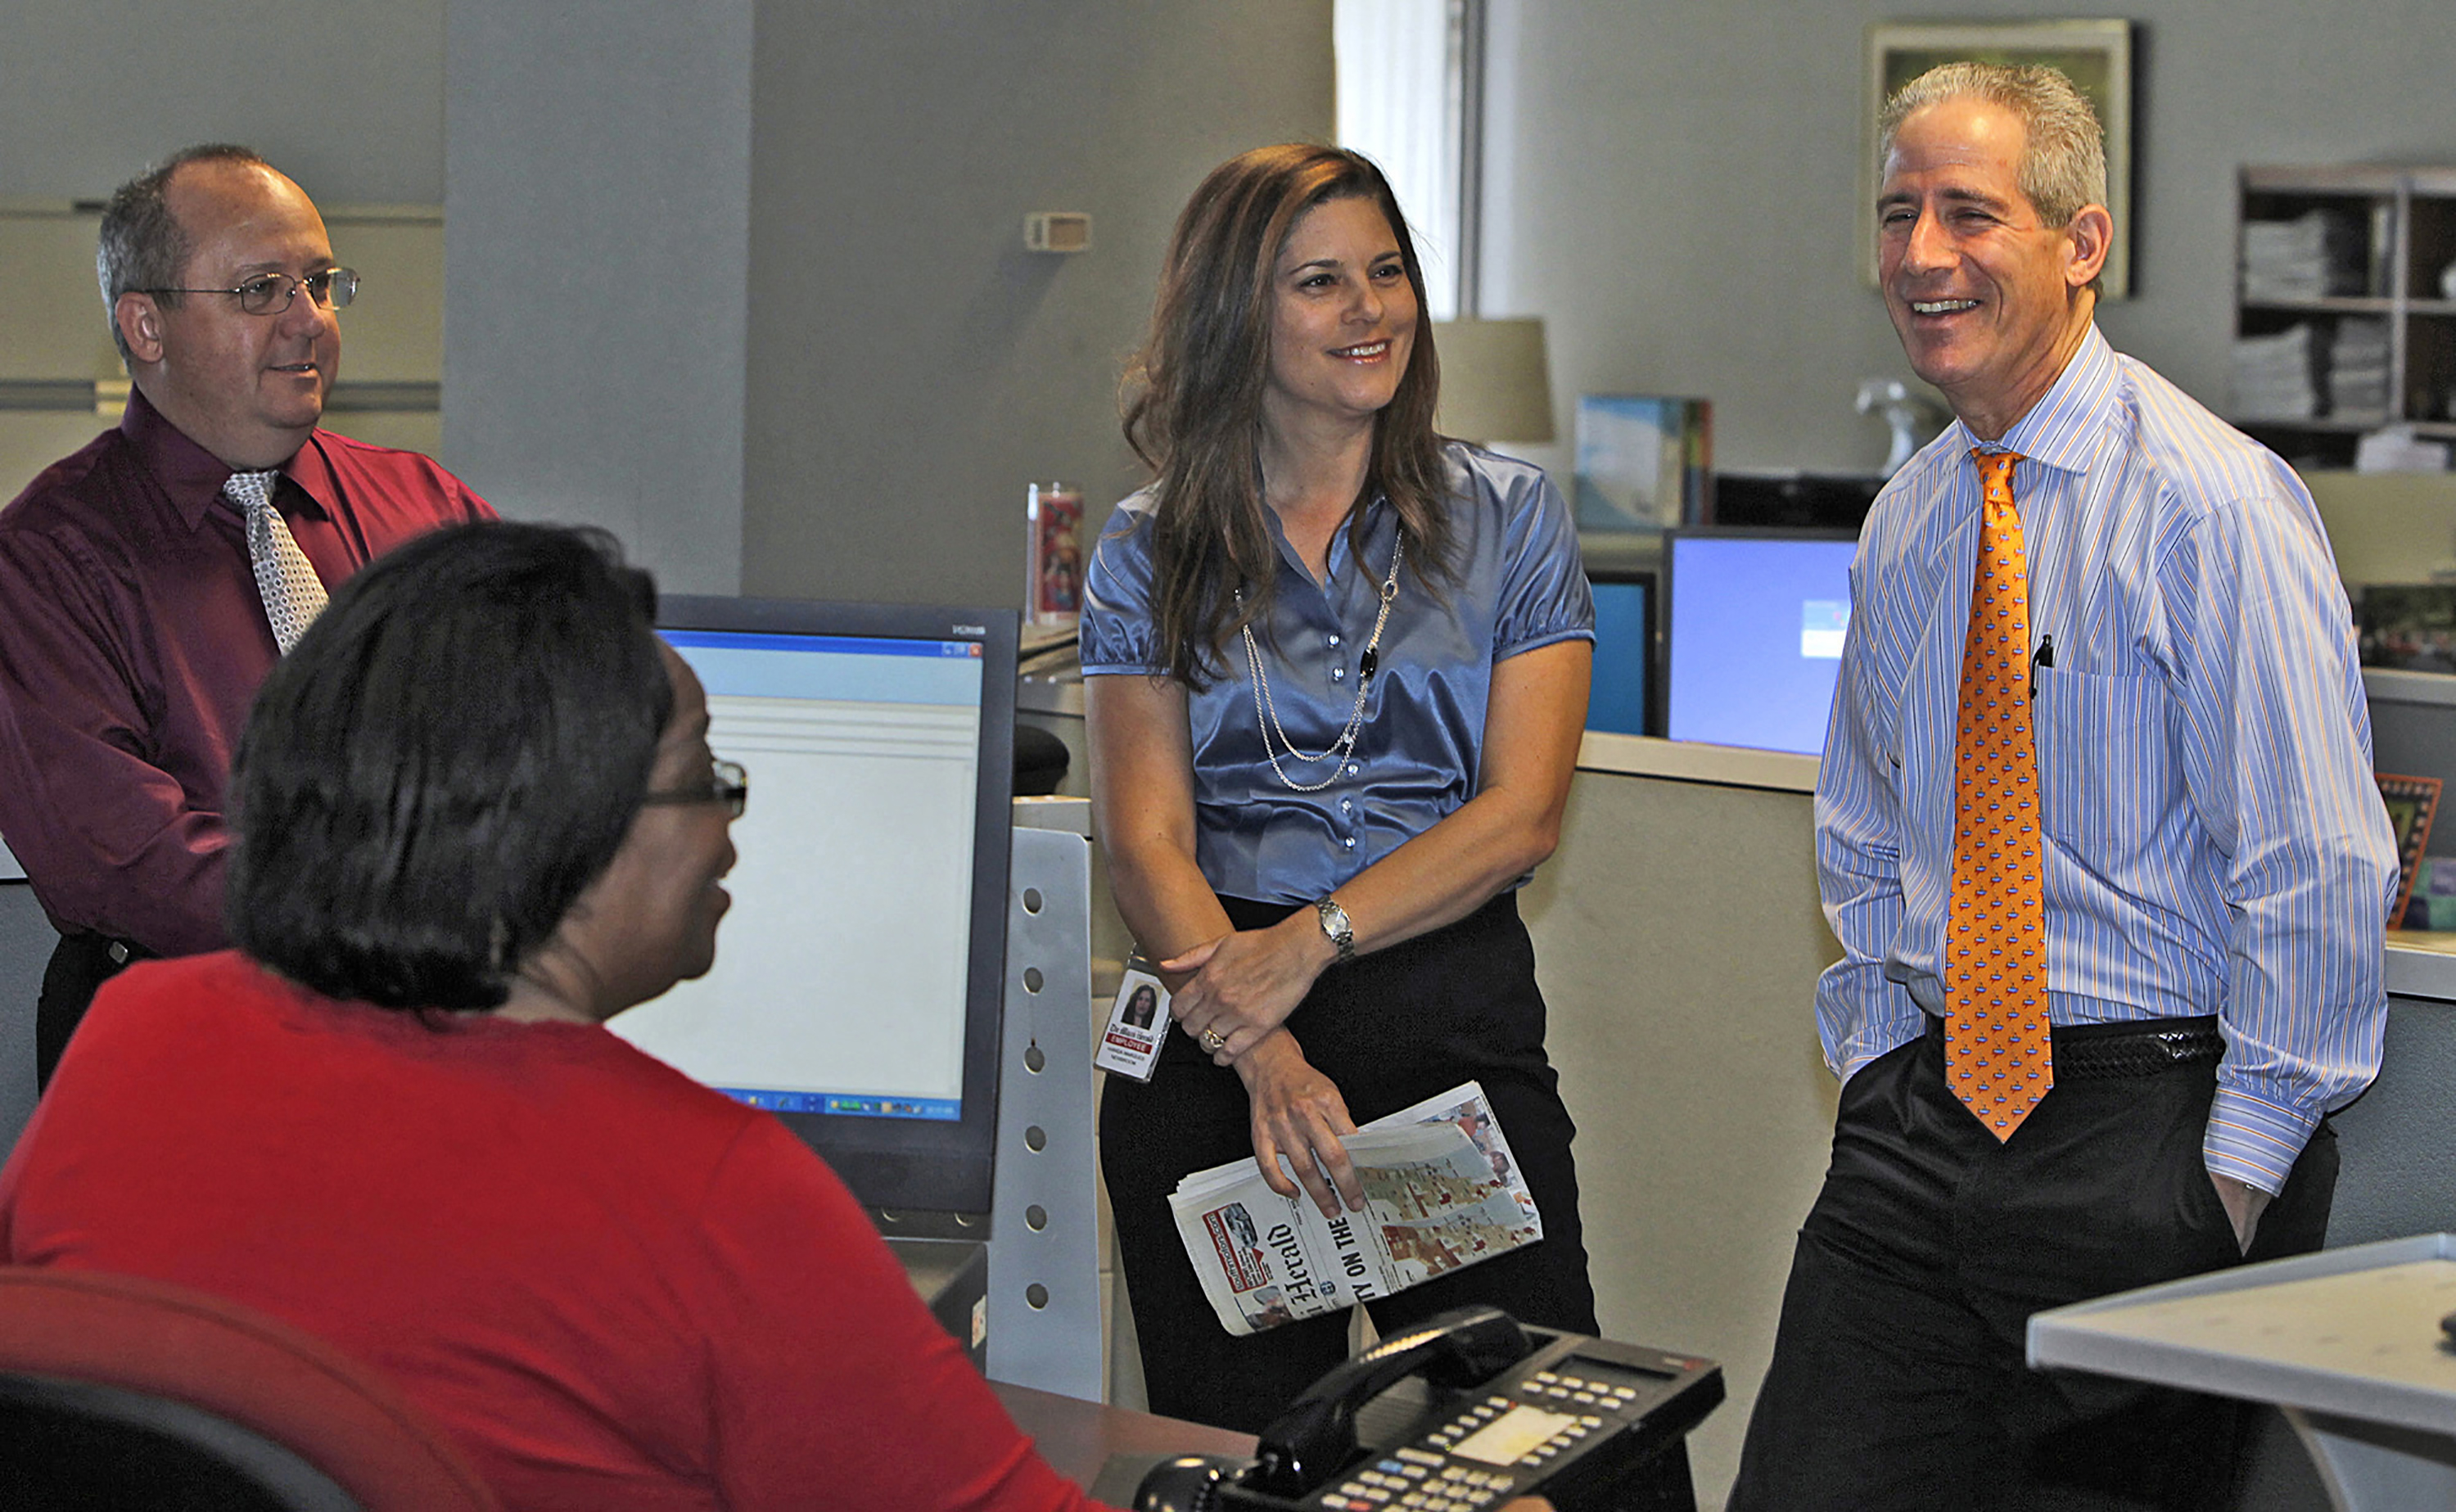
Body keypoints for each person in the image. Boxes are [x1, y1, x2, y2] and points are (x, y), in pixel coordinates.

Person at [0, 521, 1121, 1512]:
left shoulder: (133, 1038)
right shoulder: (719, 1190)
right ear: (566, 828)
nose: (730, 830)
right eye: (704, 777)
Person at [1728, 63, 2400, 1512]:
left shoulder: (2211, 504)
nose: (1920, 256)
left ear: (2081, 243)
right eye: (1900, 213)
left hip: (2144, 1135)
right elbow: (1861, 833)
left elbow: (2317, 863)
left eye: (1971, 213)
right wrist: (1873, 1069)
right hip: (1920, 1128)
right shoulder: (1911, 520)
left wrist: (2231, 1178)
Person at [1083, 143, 1599, 1433]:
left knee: (1541, 1434)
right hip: (1212, 1026)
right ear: (1236, 317)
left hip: (1443, 1017)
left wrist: (1310, 946)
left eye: (1387, 271)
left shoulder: (1509, 517)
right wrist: (1261, 1042)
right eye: (1320, 281)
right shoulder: (1146, 547)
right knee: (1252, 1454)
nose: (1370, 308)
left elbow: (1522, 814)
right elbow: (1143, 839)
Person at [0, 143, 493, 1087]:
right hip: (186, 1063)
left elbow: (544, 742)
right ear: (144, 326)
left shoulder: (429, 511)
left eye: (319, 283)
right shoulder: (46, 560)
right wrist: (387, 912)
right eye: (262, 289)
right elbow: (121, 860)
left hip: (436, 1053)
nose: (308, 322)